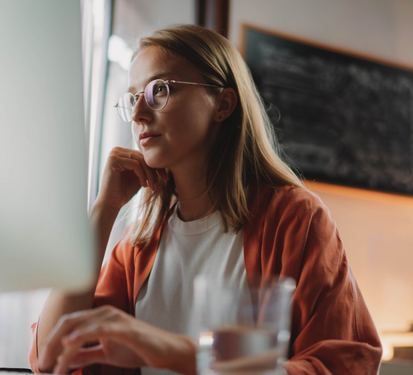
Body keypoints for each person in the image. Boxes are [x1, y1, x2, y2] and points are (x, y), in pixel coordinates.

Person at [29, 24, 382, 375]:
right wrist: (102, 211)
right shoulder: (140, 243)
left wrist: (178, 353)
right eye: (134, 97)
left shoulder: (296, 219)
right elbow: (52, 357)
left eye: (160, 90)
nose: (137, 115)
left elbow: (341, 366)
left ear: (223, 104)